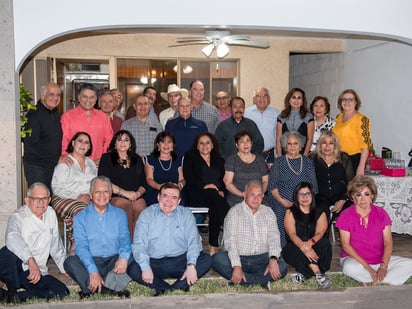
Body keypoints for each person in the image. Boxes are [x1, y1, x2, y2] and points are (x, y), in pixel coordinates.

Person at [127, 183, 212, 296]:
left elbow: (194, 243)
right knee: (133, 268)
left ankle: (167, 289)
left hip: (180, 261)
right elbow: (139, 245)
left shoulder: (186, 214)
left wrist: (191, 265)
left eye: (174, 198)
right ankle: (176, 288)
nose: (168, 201)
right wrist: (146, 268)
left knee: (207, 260)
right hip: (154, 263)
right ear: (158, 197)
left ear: (179, 201)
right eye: (165, 196)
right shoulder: (147, 214)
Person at [63, 176, 132, 299]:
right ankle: (110, 289)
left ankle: (91, 290)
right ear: (90, 194)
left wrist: (122, 259)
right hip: (92, 260)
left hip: (114, 262)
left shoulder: (120, 214)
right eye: (97, 191)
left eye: (105, 191)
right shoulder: (80, 218)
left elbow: (125, 239)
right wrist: (93, 271)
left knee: (132, 254)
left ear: (110, 194)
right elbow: (82, 247)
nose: (102, 195)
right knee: (70, 262)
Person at [336, 176, 412, 286]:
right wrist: (368, 268)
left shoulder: (381, 213)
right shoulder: (345, 215)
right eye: (358, 195)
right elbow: (346, 246)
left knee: (409, 264)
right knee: (349, 268)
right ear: (353, 197)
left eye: (367, 194)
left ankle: (371, 280)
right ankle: (382, 279)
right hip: (356, 261)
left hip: (379, 259)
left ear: (372, 196)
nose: (363, 199)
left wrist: (384, 266)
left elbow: (388, 242)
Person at [0, 183, 69, 303]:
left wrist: (64, 268)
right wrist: (30, 260)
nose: (41, 202)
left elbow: (55, 245)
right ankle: (12, 287)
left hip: (37, 273)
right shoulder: (18, 216)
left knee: (62, 292)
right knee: (6, 253)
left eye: (44, 198)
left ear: (49, 200)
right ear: (27, 200)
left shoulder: (50, 214)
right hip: (19, 266)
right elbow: (12, 237)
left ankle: (14, 296)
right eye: (36, 198)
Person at [212, 181, 288, 288]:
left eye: (259, 195)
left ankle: (241, 281)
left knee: (282, 267)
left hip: (262, 258)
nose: (256, 198)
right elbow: (230, 241)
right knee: (217, 260)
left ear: (262, 197)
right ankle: (260, 281)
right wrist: (237, 266)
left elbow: (274, 238)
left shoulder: (268, 212)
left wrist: (273, 259)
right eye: (252, 194)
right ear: (244, 195)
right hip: (240, 257)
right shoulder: (234, 212)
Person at [268, 131, 318, 248]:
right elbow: (272, 185)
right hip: (282, 200)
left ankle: (303, 246)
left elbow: (314, 187)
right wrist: (281, 200)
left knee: (307, 215)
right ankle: (282, 247)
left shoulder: (307, 162)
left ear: (300, 146)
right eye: (289, 144)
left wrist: (303, 201)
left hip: (303, 200)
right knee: (279, 214)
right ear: (285, 146)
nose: (292, 146)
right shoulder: (279, 162)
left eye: (295, 143)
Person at [183, 132, 230, 255]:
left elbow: (222, 180)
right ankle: (231, 219)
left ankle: (213, 245)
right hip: (196, 193)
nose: (205, 146)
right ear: (197, 146)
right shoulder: (190, 157)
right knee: (216, 199)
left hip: (214, 196)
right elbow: (189, 177)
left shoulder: (219, 160)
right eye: (201, 143)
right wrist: (206, 186)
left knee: (215, 207)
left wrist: (221, 191)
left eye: (207, 143)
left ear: (213, 145)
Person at [51, 131, 97, 251]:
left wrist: (91, 196)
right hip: (63, 197)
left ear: (89, 147)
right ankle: (76, 244)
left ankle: (97, 246)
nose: (83, 144)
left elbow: (95, 185)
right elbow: (56, 187)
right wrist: (77, 196)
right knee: (81, 210)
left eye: (86, 142)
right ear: (73, 143)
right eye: (80, 141)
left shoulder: (91, 163)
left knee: (103, 210)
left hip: (88, 198)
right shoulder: (66, 162)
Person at [282, 182, 332, 289]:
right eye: (301, 194)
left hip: (315, 245)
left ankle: (304, 274)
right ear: (296, 196)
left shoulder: (320, 212)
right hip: (296, 245)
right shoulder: (290, 212)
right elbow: (292, 234)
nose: (305, 197)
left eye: (308, 194)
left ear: (312, 195)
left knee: (325, 244)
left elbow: (320, 233)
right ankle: (318, 273)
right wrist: (304, 248)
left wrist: (310, 243)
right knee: (290, 250)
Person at [98, 130, 147, 238]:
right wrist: (125, 193)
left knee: (140, 208)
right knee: (125, 206)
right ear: (114, 144)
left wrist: (138, 194)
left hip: (136, 196)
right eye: (119, 140)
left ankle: (139, 244)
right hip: (116, 196)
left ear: (130, 144)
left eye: (126, 140)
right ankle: (126, 244)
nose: (122, 142)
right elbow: (104, 182)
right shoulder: (107, 158)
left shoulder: (137, 159)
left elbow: (144, 182)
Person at [22, 82, 63, 192]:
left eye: (58, 95)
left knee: (48, 200)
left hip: (51, 166)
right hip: (37, 167)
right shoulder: (34, 115)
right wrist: (56, 159)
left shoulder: (55, 113)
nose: (55, 98)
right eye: (51, 94)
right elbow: (31, 145)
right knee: (39, 198)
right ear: (43, 96)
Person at [61, 83, 113, 165]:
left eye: (91, 97)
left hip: (98, 164)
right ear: (79, 98)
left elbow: (109, 140)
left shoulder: (103, 117)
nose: (88, 100)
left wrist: (103, 158)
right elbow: (64, 140)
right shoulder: (67, 116)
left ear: (96, 99)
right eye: (85, 97)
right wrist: (66, 157)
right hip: (74, 164)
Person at [309, 131, 354, 221]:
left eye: (331, 143)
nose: (327, 146)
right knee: (320, 215)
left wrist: (343, 200)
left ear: (335, 146)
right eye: (324, 143)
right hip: (320, 200)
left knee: (352, 213)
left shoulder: (344, 158)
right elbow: (308, 182)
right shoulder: (312, 159)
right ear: (319, 145)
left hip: (343, 199)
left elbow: (351, 182)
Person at [332, 89, 373, 176]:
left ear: (356, 102)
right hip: (338, 158)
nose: (347, 102)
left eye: (351, 99)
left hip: (353, 160)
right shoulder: (338, 118)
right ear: (340, 102)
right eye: (344, 99)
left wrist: (361, 167)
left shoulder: (362, 119)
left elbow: (365, 145)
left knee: (351, 188)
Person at [223, 130, 268, 207]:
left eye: (248, 141)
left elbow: (265, 181)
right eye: (241, 141)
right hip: (237, 200)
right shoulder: (231, 160)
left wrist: (259, 194)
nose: (245, 144)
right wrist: (243, 195)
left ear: (251, 143)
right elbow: (228, 183)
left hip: (258, 200)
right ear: (237, 145)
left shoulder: (260, 160)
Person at [143, 131, 185, 206]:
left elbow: (182, 179)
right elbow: (149, 179)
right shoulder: (150, 159)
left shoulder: (179, 159)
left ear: (173, 146)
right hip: (156, 191)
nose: (166, 145)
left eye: (169, 142)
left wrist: (179, 185)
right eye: (162, 142)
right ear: (158, 145)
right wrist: (160, 187)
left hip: (174, 192)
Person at [244, 87, 280, 164]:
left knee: (271, 176)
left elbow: (279, 134)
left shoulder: (276, 113)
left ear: (269, 98)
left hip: (270, 155)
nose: (262, 98)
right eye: (259, 96)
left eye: (265, 95)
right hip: (251, 154)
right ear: (254, 99)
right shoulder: (246, 113)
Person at [276, 88, 314, 156]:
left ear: (302, 101)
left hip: (302, 155)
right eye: (293, 97)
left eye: (299, 98)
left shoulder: (308, 117)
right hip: (285, 156)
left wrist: (304, 157)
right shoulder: (281, 116)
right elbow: (279, 138)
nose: (296, 100)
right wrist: (279, 157)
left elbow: (310, 138)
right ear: (289, 100)